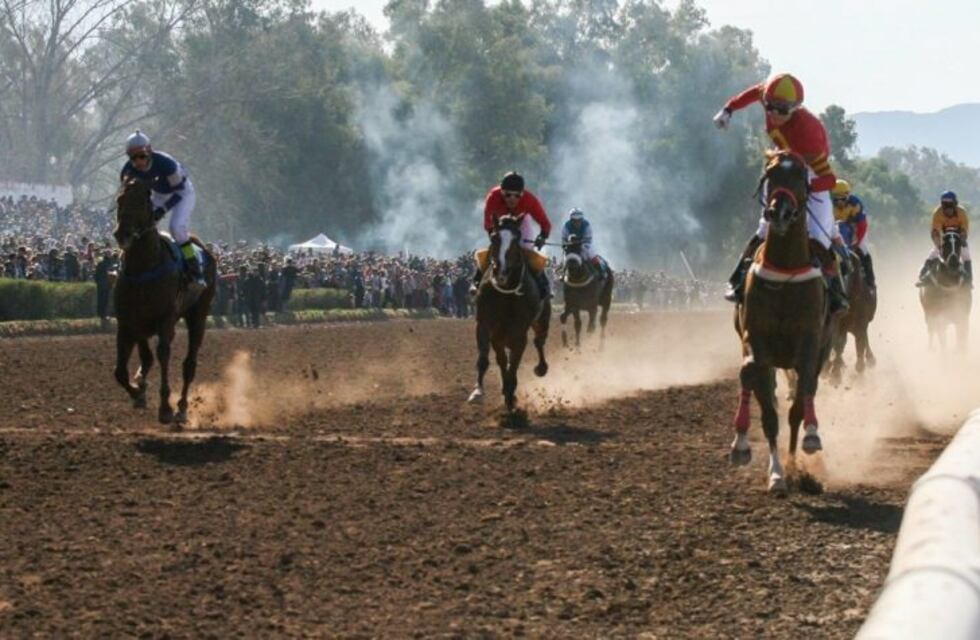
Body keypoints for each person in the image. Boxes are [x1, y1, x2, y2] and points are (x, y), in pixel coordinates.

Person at [713, 73, 849, 313]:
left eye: (782, 110)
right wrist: (729, 109)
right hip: (782, 163)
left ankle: (836, 292)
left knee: (820, 236)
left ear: (795, 109)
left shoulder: (811, 133)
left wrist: (806, 188)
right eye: (770, 107)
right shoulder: (768, 94)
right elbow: (752, 93)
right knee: (764, 228)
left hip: (810, 173)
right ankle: (738, 279)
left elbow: (828, 179)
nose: (774, 113)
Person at [120, 130, 204, 286]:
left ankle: (194, 268)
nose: (138, 161)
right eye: (133, 157)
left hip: (182, 193)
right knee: (137, 227)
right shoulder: (127, 171)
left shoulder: (167, 164)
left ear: (149, 151)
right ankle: (126, 264)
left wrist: (162, 210)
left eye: (142, 156)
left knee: (176, 228)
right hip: (159, 194)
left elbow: (178, 193)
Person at [471, 171, 553, 298]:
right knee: (495, 249)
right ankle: (477, 280)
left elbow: (545, 223)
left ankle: (543, 283)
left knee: (527, 250)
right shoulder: (493, 196)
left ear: (522, 194)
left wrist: (542, 236)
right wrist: (494, 238)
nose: (512, 199)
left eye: (517, 195)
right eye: (507, 195)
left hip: (521, 223)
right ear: (501, 192)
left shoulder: (530, 200)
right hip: (500, 223)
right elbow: (488, 222)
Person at [917, 190, 971, 287]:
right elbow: (935, 232)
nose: (948, 209)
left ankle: (969, 280)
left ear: (955, 205)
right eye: (945, 206)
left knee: (966, 253)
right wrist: (938, 245)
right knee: (934, 253)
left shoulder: (962, 212)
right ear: (942, 205)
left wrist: (962, 239)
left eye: (950, 206)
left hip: (958, 237)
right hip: (944, 237)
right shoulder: (938, 213)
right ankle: (924, 275)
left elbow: (964, 229)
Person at [832, 179, 876, 293]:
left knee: (864, 250)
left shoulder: (856, 203)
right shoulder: (829, 205)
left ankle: (870, 280)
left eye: (842, 199)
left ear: (848, 195)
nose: (839, 202)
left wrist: (856, 243)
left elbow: (862, 226)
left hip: (856, 231)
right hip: (836, 232)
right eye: (836, 199)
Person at [561, 208, 609, 278]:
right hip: (571, 245)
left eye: (579, 220)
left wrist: (579, 243)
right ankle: (563, 273)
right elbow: (564, 238)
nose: (577, 222)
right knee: (565, 256)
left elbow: (588, 238)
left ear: (582, 219)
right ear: (571, 220)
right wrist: (565, 245)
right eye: (574, 221)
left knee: (591, 253)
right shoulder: (566, 226)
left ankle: (600, 271)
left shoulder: (587, 225)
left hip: (584, 244)